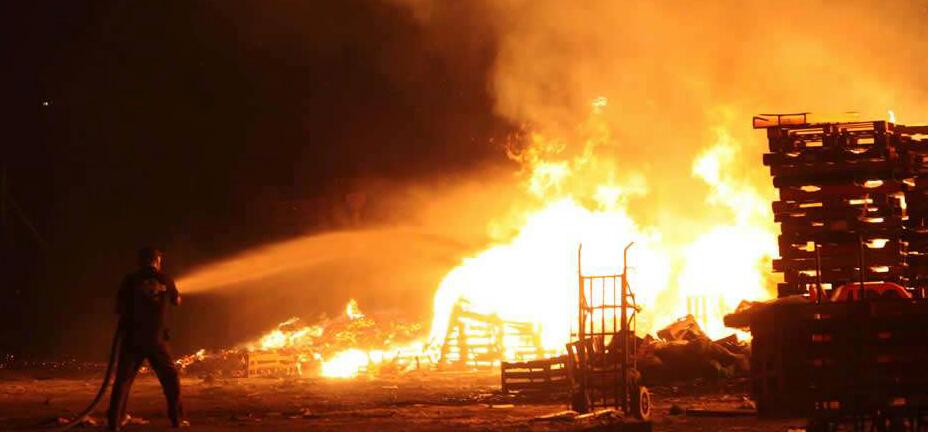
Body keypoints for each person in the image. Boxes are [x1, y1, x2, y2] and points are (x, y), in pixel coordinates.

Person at [107, 247, 188, 430]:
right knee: (170, 379)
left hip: (132, 338)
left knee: (123, 381)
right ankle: (176, 419)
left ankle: (114, 423)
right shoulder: (165, 279)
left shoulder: (130, 280)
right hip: (157, 339)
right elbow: (176, 301)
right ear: (157, 260)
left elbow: (118, 308)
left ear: (140, 261)